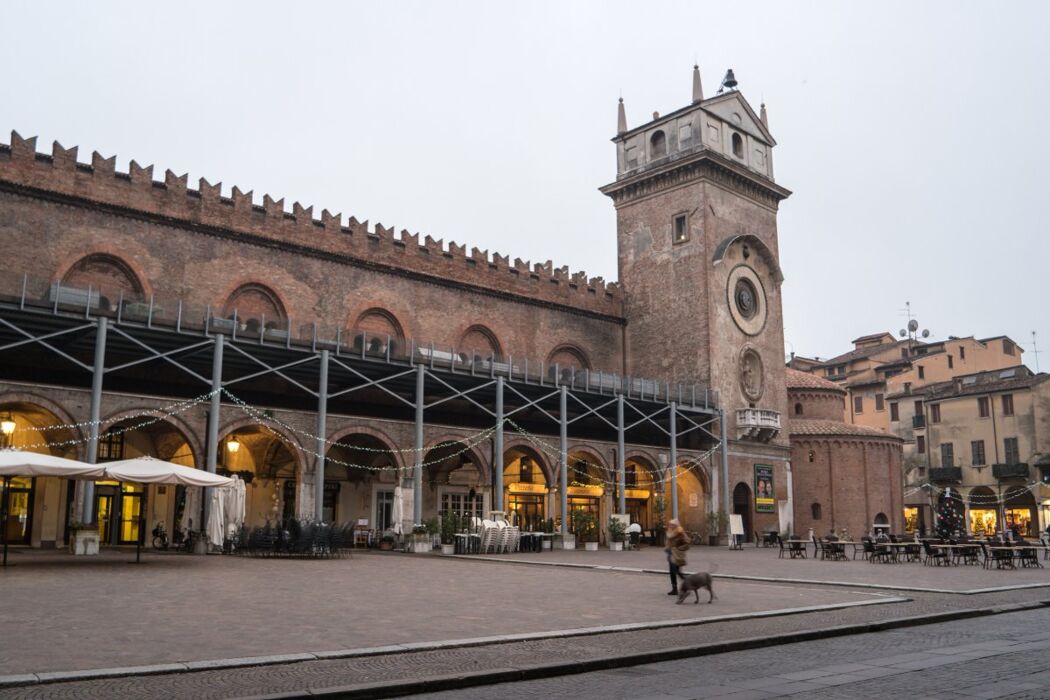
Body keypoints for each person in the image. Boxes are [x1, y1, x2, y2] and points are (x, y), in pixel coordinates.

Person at [664, 518, 689, 595]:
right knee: (673, 572)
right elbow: (669, 542)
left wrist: (679, 548)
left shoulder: (680, 532)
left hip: (676, 554)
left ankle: (688, 584)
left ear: (676, 525)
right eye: (670, 524)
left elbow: (687, 542)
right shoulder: (669, 532)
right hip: (670, 553)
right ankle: (675, 589)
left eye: (672, 524)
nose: (670, 526)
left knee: (675, 571)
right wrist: (667, 548)